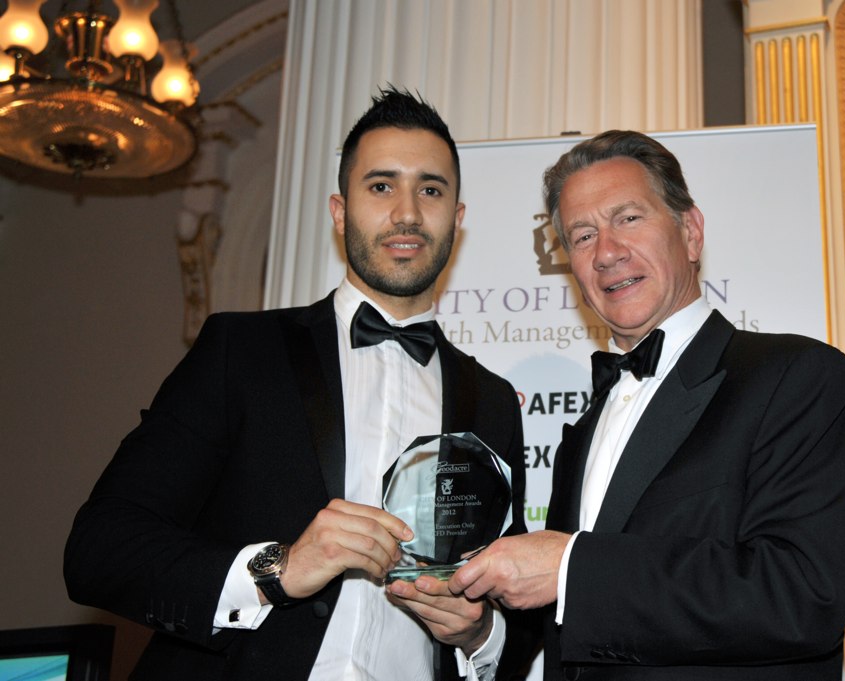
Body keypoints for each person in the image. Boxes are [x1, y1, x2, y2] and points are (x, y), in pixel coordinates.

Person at [64, 88, 526, 681]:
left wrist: (479, 633)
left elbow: (513, 597)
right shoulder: (240, 352)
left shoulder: (493, 402)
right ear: (339, 211)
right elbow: (100, 549)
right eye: (381, 186)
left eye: (430, 190)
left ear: (457, 219)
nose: (407, 213)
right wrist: (277, 570)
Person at [448, 130, 845, 679]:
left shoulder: (796, 376)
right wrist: (478, 632)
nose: (607, 253)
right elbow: (570, 634)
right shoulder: (586, 428)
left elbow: (802, 595)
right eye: (582, 236)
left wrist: (573, 567)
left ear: (691, 233)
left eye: (628, 218)